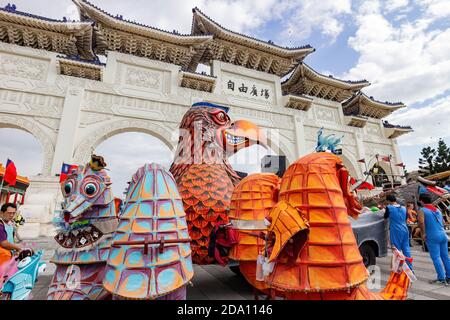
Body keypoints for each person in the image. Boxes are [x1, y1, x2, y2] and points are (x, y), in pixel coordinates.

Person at [417, 193, 450, 285]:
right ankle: (449, 277)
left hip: (432, 236)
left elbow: (421, 222)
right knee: (445, 257)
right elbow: (443, 222)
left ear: (421, 201)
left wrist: (423, 233)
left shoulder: (422, 210)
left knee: (436, 257)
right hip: (442, 234)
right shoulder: (437, 209)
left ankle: (441, 278)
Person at [384, 194, 412, 269]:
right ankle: (409, 267)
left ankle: (396, 268)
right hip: (405, 229)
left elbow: (385, 217)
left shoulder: (389, 207)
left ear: (388, 201)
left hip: (396, 230)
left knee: (396, 249)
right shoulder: (403, 208)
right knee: (406, 248)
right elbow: (406, 218)